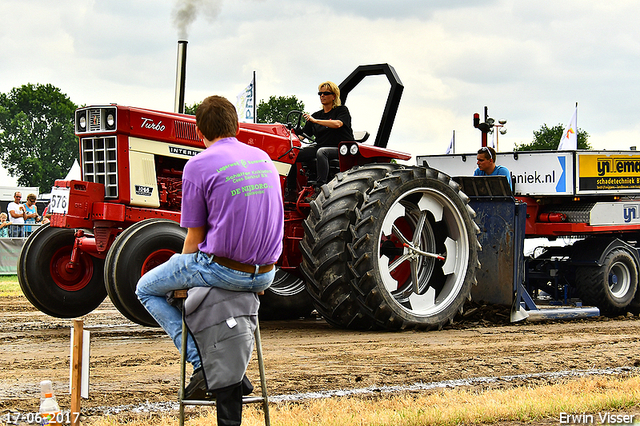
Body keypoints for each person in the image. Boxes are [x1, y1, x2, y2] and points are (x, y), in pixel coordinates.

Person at [136, 95, 284, 425]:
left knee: (146, 288)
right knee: (200, 292)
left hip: (224, 270)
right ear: (236, 126)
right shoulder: (263, 159)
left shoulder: (198, 165)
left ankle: (200, 362)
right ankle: (228, 371)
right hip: (265, 275)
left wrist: (183, 280)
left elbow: (194, 238)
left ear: (199, 131)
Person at [286, 81, 354, 197]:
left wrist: (315, 121)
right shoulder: (317, 115)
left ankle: (319, 188)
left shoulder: (341, 111)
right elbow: (302, 135)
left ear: (334, 96)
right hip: (321, 146)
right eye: (320, 93)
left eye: (326, 93)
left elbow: (338, 124)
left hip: (341, 149)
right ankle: (291, 190)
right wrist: (286, 132)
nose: (322, 96)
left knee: (322, 152)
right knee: (292, 154)